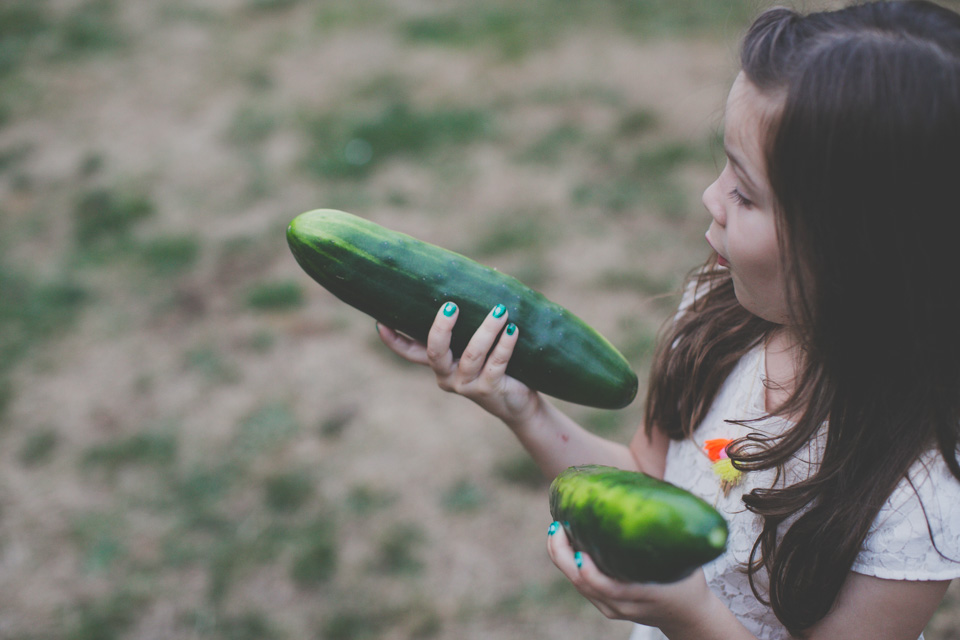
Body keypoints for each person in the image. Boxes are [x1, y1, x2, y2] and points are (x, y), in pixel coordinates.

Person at [376, 1, 960, 638]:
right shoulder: (719, 317)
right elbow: (648, 477)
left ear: (859, 250)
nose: (709, 196)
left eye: (744, 191)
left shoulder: (922, 490)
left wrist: (692, 618)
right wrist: (523, 409)